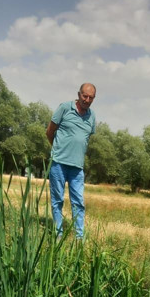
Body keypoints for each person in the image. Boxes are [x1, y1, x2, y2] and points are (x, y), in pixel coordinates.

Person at [46, 83, 96, 239]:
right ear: (79, 94)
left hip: (77, 167)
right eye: (84, 96)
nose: (87, 100)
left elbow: (85, 138)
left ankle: (79, 238)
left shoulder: (92, 116)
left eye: (91, 97)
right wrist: (58, 150)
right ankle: (58, 235)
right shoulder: (65, 108)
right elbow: (49, 131)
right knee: (57, 200)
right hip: (59, 164)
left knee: (79, 203)